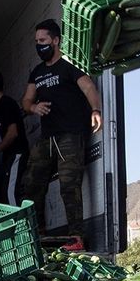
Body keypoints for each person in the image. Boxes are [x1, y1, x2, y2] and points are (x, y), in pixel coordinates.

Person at [20, 18, 103, 234]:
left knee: (68, 186)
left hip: (70, 135)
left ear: (56, 40)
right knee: (31, 185)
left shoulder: (69, 65)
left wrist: (96, 110)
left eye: (43, 40)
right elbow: (26, 100)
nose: (39, 45)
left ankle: (76, 237)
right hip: (47, 138)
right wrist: (33, 108)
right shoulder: (37, 72)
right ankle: (37, 235)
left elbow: (88, 88)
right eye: (37, 41)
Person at [0, 70, 25, 204]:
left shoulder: (6, 104)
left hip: (17, 153)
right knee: (7, 190)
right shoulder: (2, 106)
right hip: (11, 155)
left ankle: (18, 224)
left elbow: (13, 133)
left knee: (10, 192)